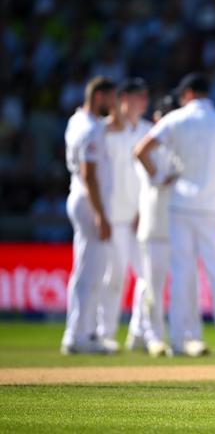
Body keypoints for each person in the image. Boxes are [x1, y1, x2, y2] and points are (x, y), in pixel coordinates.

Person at [134, 73, 215, 357]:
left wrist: (157, 177)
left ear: (189, 93)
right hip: (212, 206)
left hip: (180, 204)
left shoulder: (176, 119)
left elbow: (141, 150)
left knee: (182, 273)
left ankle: (179, 341)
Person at [61, 76, 115, 354]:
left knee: (90, 271)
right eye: (111, 98)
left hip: (81, 199)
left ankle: (87, 332)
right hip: (89, 202)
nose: (114, 103)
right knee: (88, 273)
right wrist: (101, 215)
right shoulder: (91, 130)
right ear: (99, 97)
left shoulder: (77, 121)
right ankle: (76, 336)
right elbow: (89, 175)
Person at [97, 77, 152, 353]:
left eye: (145, 96)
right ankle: (104, 333)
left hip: (140, 216)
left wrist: (145, 210)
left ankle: (139, 333)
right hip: (113, 215)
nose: (143, 101)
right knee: (114, 276)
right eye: (138, 96)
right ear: (124, 98)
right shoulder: (105, 131)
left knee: (147, 277)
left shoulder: (149, 130)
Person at [134, 94, 179, 357]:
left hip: (175, 223)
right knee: (151, 284)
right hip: (153, 223)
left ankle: (143, 333)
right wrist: (165, 177)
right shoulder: (147, 144)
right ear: (157, 119)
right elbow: (151, 175)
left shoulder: (178, 146)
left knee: (165, 284)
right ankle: (153, 337)